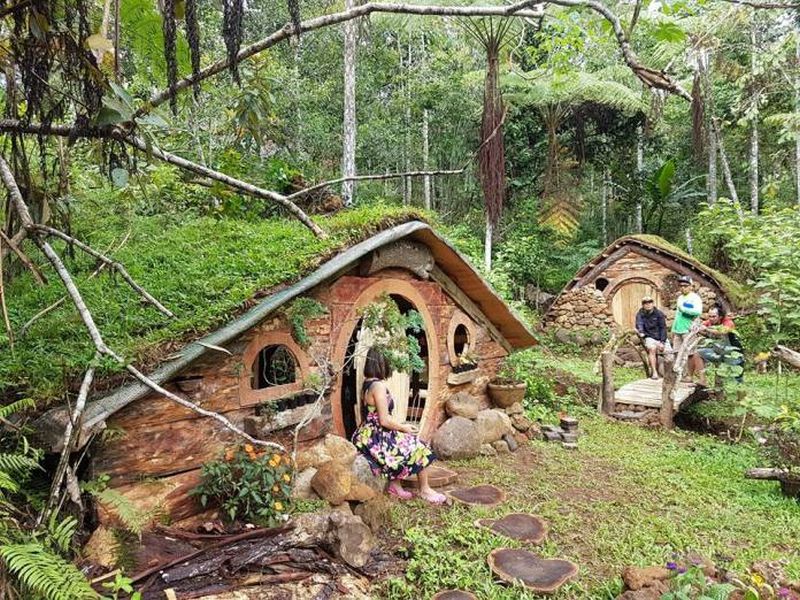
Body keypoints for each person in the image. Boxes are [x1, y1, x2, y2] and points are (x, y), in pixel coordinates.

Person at [352, 347, 447, 504]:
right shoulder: (379, 387)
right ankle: (425, 489)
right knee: (419, 447)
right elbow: (384, 420)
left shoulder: (367, 384)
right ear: (382, 364)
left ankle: (395, 485)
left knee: (402, 442)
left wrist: (399, 427)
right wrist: (404, 427)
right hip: (377, 435)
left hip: (366, 433)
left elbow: (376, 416)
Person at [694, 303, 744, 387]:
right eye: (709, 316)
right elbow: (702, 327)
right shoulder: (709, 322)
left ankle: (738, 397)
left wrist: (706, 329)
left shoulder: (728, 322)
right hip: (717, 351)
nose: (711, 319)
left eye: (714, 316)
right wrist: (697, 328)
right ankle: (703, 381)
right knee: (697, 353)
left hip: (732, 353)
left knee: (736, 380)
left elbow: (723, 331)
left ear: (720, 317)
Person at [671, 276, 703, 378]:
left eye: (685, 286)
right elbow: (677, 314)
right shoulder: (680, 298)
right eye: (681, 286)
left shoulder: (695, 298)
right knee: (677, 352)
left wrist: (684, 309)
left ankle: (690, 376)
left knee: (689, 353)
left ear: (691, 286)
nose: (683, 288)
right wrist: (673, 328)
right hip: (678, 329)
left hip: (688, 329)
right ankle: (680, 375)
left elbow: (697, 311)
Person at [635, 296, 670, 380]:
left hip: (660, 337)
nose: (648, 305)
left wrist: (662, 342)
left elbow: (663, 328)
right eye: (645, 303)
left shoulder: (659, 314)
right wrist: (641, 332)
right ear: (643, 305)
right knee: (652, 348)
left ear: (652, 303)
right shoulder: (640, 313)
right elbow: (639, 323)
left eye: (649, 302)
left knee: (670, 355)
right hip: (649, 336)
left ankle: (669, 375)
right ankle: (654, 372)